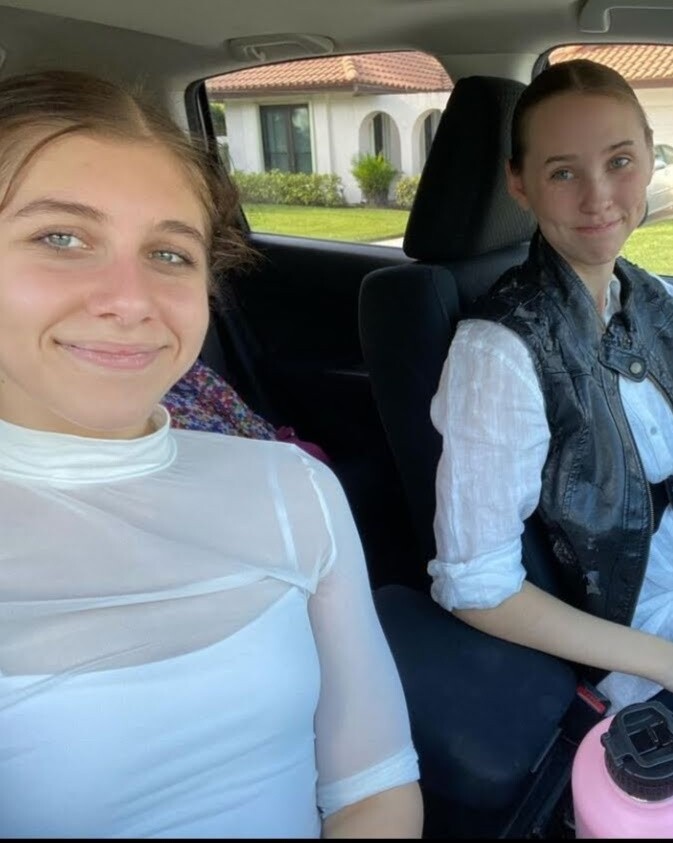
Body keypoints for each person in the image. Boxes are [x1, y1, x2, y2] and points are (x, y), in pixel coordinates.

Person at [0, 69, 422, 838]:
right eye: (61, 238)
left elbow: (375, 790)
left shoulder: (294, 488)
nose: (131, 300)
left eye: (169, 254)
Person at [428, 58, 673, 716]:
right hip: (644, 633)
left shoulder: (650, 297)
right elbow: (477, 585)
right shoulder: (499, 353)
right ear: (519, 184)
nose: (598, 197)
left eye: (619, 161)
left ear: (650, 155)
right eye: (563, 172)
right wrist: (664, 662)